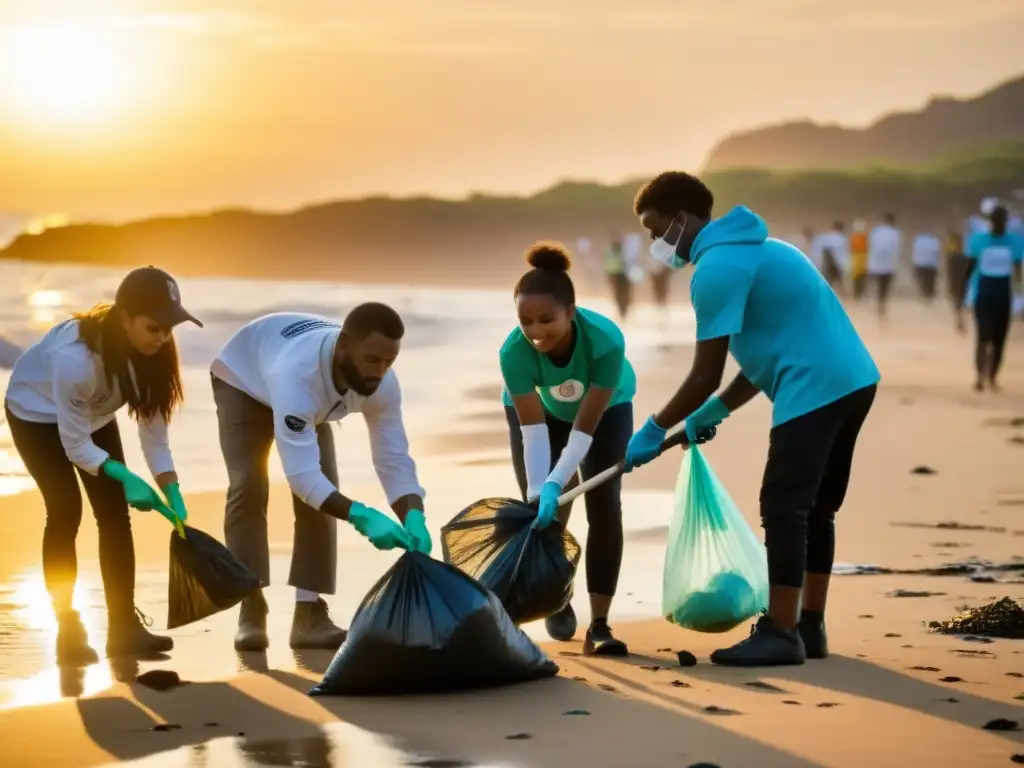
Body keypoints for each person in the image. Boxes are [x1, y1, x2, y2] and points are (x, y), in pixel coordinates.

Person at [627, 172, 879, 667]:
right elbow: (766, 356)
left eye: (657, 231)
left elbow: (705, 373)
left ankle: (782, 632)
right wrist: (716, 410)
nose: (656, 243)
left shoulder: (716, 269)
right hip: (854, 381)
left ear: (682, 218)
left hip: (814, 388)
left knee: (783, 507)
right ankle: (809, 625)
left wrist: (654, 426)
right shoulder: (765, 248)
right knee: (816, 510)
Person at [4, 267, 199, 665]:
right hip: (35, 413)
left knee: (115, 514)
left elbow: (154, 434)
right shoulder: (74, 360)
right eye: (155, 326)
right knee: (65, 510)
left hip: (94, 411)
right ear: (124, 317)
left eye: (170, 328)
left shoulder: (154, 355)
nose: (163, 337)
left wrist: (171, 488)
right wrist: (125, 476)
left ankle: (123, 628)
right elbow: (75, 446)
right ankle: (67, 627)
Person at [210, 305, 428, 652]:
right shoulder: (298, 376)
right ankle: (251, 607)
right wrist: (360, 515)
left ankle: (309, 614)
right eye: (372, 360)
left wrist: (413, 513)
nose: (380, 372)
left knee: (326, 485)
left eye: (390, 362)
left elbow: (393, 458)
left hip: (308, 389)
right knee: (249, 484)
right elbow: (301, 478)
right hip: (243, 376)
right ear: (344, 346)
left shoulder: (382, 381)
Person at [500, 243, 637, 656]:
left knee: (604, 506)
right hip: (541, 416)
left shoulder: (606, 342)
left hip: (604, 412)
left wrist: (559, 479)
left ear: (571, 312)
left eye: (547, 319)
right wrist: (540, 489)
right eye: (525, 321)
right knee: (544, 514)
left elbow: (584, 430)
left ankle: (600, 624)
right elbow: (535, 433)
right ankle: (557, 597)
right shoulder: (513, 353)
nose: (536, 331)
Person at [965, 206, 1023, 392]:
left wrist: (1020, 298)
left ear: (1005, 222)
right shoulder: (978, 240)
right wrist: (962, 295)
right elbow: (970, 269)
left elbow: (1017, 273)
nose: (997, 225)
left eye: (1001, 221)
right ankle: (980, 376)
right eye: (995, 221)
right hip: (983, 295)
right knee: (983, 337)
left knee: (999, 339)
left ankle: (992, 376)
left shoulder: (1015, 242)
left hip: (1003, 295)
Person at [868, 213, 902, 319]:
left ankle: (879, 303)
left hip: (875, 265)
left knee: (878, 286)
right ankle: (882, 304)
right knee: (885, 287)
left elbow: (871, 247)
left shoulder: (876, 231)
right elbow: (896, 250)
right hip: (889, 266)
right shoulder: (896, 233)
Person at [812, 222, 849, 295]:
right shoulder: (842, 238)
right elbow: (842, 253)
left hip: (827, 263)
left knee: (829, 282)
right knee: (839, 281)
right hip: (836, 263)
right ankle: (843, 295)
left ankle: (828, 294)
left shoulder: (827, 237)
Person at [910, 230, 942, 302]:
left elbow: (915, 252)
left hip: (920, 264)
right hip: (931, 264)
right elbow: (937, 252)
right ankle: (929, 295)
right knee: (930, 281)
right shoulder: (934, 241)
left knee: (922, 280)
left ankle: (925, 293)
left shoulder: (917, 240)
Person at [848, 220, 869, 300]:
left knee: (862, 278)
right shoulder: (854, 237)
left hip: (861, 259)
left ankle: (860, 294)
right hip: (856, 259)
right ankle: (856, 294)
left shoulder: (864, 238)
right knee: (856, 278)